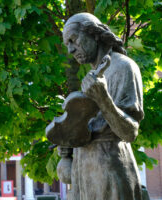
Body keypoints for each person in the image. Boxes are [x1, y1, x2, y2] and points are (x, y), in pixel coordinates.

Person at [58, 13, 146, 200]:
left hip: (111, 167)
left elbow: (130, 133)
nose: (71, 50)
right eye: (67, 45)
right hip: (84, 169)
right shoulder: (91, 75)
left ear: (94, 33)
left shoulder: (124, 67)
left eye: (73, 40)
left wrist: (104, 99)